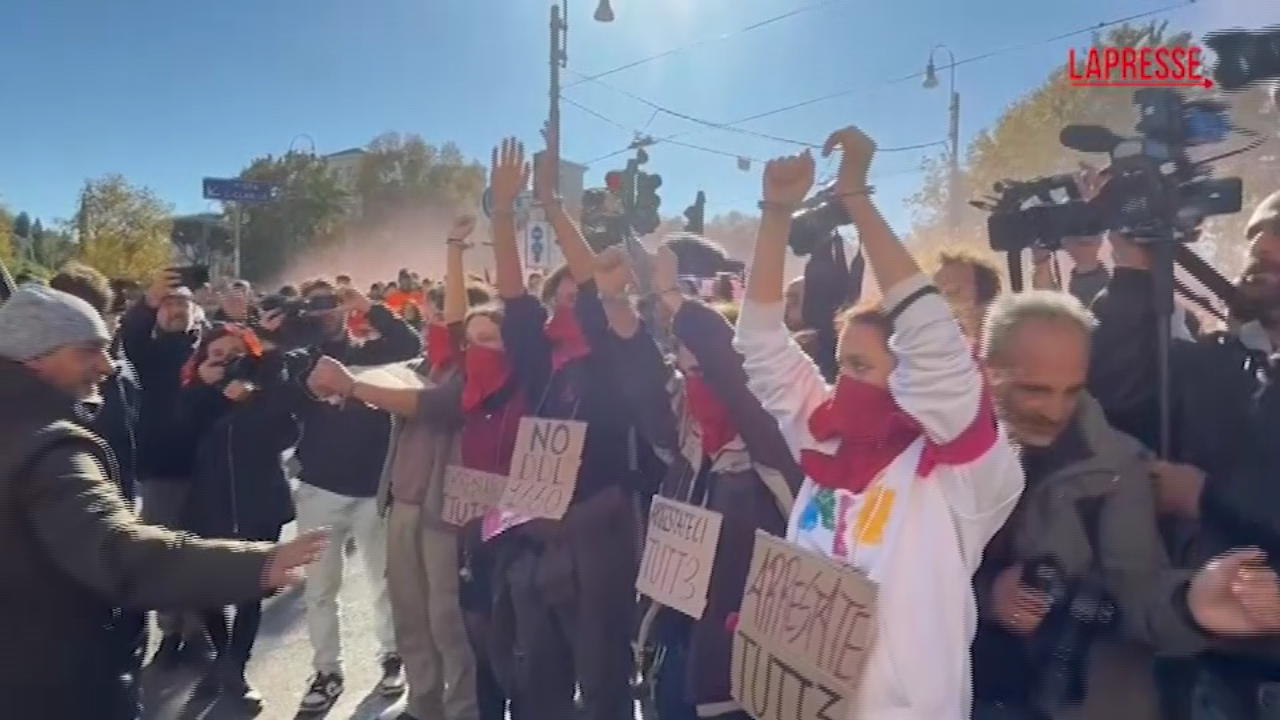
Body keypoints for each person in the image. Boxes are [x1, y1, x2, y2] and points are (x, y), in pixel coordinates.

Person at [735, 127, 1026, 719]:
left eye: (861, 366)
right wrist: (775, 215)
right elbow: (762, 345)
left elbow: (937, 351)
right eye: (840, 364)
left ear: (908, 374)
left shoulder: (960, 477)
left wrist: (857, 200)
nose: (843, 383)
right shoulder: (825, 438)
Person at [0, 284, 327, 720]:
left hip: (253, 504)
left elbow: (287, 425)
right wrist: (257, 564)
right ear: (36, 357)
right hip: (58, 681)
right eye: (87, 351)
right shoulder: (50, 449)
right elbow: (116, 552)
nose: (105, 366)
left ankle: (233, 670)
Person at [483, 132, 651, 720]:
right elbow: (511, 293)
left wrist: (553, 205)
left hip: (596, 533)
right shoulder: (537, 360)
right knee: (538, 674)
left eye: (576, 297)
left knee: (602, 675)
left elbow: (595, 290)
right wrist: (504, 209)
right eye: (559, 294)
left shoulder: (609, 357)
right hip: (534, 531)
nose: (566, 303)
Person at [308, 215, 494, 720]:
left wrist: (352, 386)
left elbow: (432, 407)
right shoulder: (424, 366)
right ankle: (423, 703)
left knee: (446, 619)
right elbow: (399, 386)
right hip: (404, 504)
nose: (428, 319)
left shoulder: (473, 372)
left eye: (437, 313)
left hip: (444, 512)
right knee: (411, 617)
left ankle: (462, 709)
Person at [615, 238, 804, 720]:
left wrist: (673, 297)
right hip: (682, 657)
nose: (693, 383)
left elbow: (723, 362)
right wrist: (612, 295)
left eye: (703, 373)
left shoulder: (773, 453)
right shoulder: (690, 457)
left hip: (746, 680)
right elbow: (638, 375)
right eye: (684, 372)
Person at [290, 278, 422, 713]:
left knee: (385, 579)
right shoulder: (297, 358)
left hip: (373, 489)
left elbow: (408, 341)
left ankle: (392, 656)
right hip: (319, 489)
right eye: (315, 305)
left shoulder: (370, 352)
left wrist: (369, 306)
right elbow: (275, 391)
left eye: (331, 304)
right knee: (320, 589)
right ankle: (327, 670)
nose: (324, 311)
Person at [174, 323, 308, 711]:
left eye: (235, 353)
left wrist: (253, 399)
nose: (226, 360)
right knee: (204, 587)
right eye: (217, 353)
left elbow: (288, 432)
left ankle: (234, 671)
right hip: (207, 500)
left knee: (252, 586)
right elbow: (179, 431)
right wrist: (202, 386)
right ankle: (224, 660)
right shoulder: (194, 390)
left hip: (258, 498)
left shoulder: (269, 385)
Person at [117, 267, 208, 665]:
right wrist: (148, 300)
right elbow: (131, 333)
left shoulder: (215, 348)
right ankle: (169, 632)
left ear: (195, 310)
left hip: (209, 470)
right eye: (168, 304)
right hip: (161, 470)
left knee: (204, 552)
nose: (175, 311)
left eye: (182, 304)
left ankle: (200, 632)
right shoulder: (149, 352)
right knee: (161, 552)